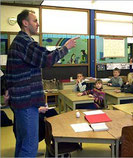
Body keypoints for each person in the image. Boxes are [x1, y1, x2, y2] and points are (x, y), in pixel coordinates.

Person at [4, 9, 79, 157]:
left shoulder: (19, 42)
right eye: (35, 21)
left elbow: (11, 70)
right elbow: (47, 59)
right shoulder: (25, 42)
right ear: (25, 23)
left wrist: (7, 89)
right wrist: (66, 47)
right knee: (29, 147)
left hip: (20, 101)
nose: (38, 24)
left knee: (22, 143)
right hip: (26, 101)